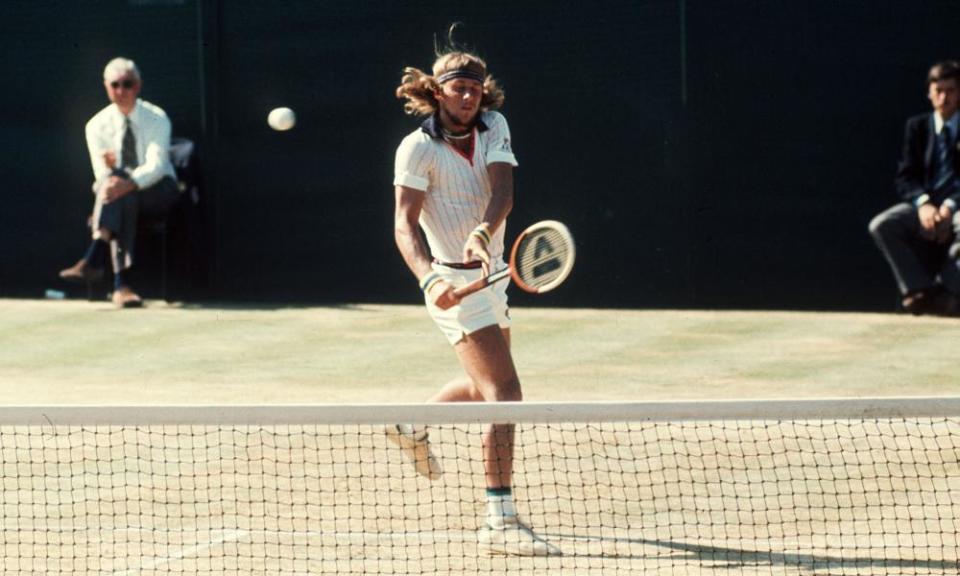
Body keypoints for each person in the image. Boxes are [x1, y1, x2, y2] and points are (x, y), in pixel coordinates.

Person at [390, 46, 561, 557]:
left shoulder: (494, 126)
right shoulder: (415, 149)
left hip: (493, 276)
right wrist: (427, 278)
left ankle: (412, 425)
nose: (468, 96)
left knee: (482, 382)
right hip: (452, 284)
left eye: (474, 88)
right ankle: (499, 518)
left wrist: (483, 232)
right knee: (505, 393)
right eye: (458, 87)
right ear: (436, 91)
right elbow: (403, 223)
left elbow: (502, 189)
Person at [59, 57, 179, 308]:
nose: (121, 90)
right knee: (118, 192)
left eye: (128, 84)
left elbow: (156, 167)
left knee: (120, 190)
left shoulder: (157, 118)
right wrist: (116, 178)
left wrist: (128, 181)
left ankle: (95, 256)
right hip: (120, 195)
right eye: (115, 85)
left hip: (158, 190)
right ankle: (121, 286)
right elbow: (101, 173)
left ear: (138, 86)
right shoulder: (96, 125)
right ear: (106, 87)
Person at [869, 60, 960, 315]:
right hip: (924, 209)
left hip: (957, 209)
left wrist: (950, 207)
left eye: (950, 90)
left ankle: (948, 288)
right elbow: (905, 177)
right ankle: (920, 290)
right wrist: (924, 204)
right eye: (938, 91)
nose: (944, 98)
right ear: (929, 93)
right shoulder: (917, 127)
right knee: (883, 224)